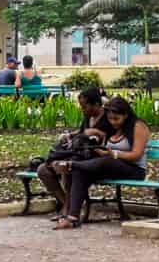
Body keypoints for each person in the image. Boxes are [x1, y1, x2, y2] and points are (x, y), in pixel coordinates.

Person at [55, 95, 150, 229]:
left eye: (117, 119)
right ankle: (72, 218)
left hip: (134, 170)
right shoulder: (114, 128)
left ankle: (71, 165)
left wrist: (114, 154)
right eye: (110, 119)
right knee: (81, 172)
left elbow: (136, 155)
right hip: (111, 166)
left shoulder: (138, 126)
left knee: (106, 161)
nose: (113, 122)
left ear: (126, 115)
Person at [39, 86, 112, 219]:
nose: (82, 109)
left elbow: (110, 140)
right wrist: (69, 135)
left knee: (67, 167)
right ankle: (66, 203)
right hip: (77, 154)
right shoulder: (88, 117)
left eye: (84, 106)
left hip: (93, 159)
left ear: (96, 104)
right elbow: (81, 132)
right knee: (43, 170)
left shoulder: (108, 118)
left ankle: (68, 209)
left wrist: (98, 134)